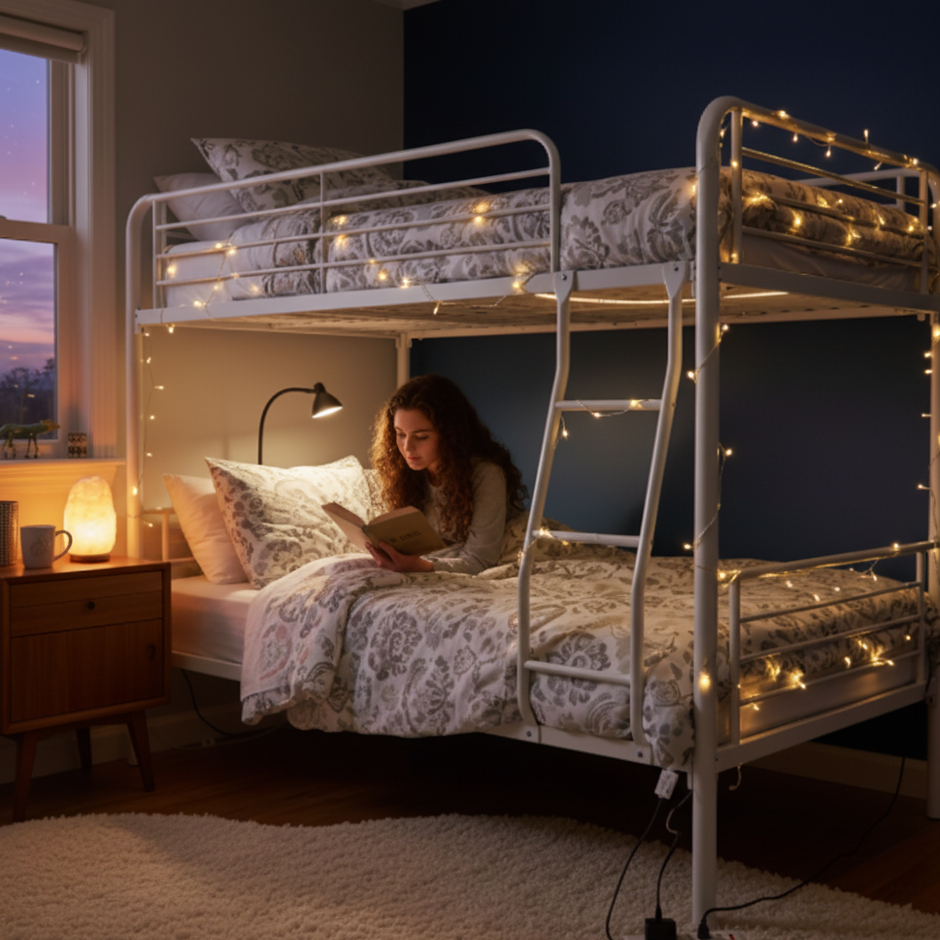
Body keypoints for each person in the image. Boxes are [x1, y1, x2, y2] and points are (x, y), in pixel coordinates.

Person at [367, 374, 527, 575]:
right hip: (441, 561)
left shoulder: (486, 475)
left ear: (450, 435)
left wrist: (422, 566)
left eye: (421, 436)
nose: (407, 447)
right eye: (400, 434)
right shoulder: (406, 474)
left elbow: (480, 559)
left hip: (501, 556)